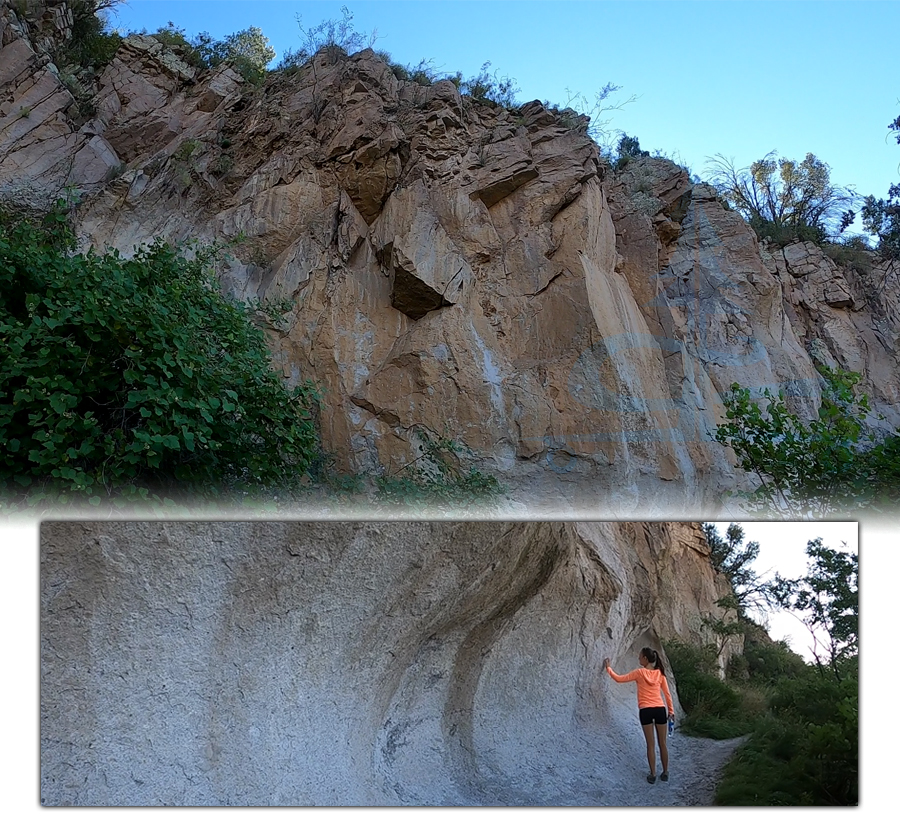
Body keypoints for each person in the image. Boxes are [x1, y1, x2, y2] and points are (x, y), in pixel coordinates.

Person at [603, 647, 675, 784]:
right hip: (659, 709)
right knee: (663, 744)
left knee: (650, 744)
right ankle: (665, 772)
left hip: (646, 710)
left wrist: (608, 668)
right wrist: (671, 711)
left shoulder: (639, 673)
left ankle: (653, 774)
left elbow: (619, 679)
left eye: (640, 657)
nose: (638, 659)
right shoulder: (660, 674)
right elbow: (667, 695)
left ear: (646, 659)